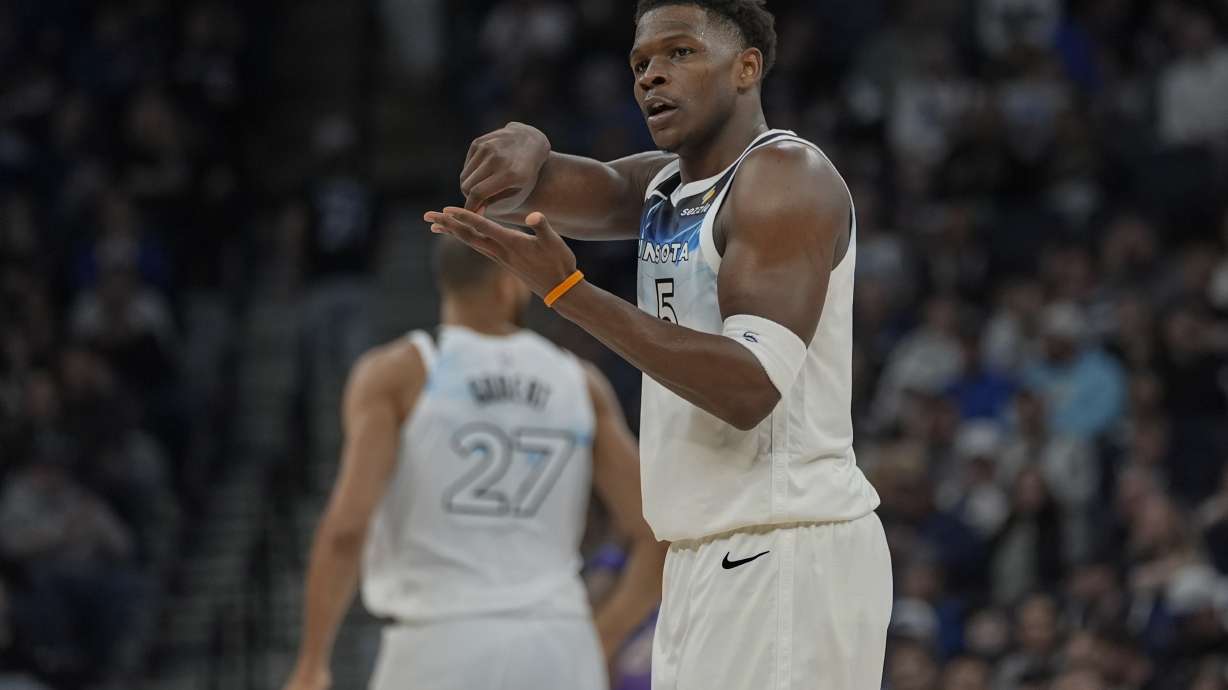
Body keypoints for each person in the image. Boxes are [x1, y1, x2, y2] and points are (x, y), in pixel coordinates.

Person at [425, 1, 892, 688]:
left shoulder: (786, 178)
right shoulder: (667, 185)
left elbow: (748, 388)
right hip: (706, 553)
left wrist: (570, 295)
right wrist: (523, 141)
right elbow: (552, 186)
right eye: (641, 63)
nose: (652, 76)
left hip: (786, 545)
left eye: (680, 53)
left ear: (747, 67)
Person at [280, 237, 665, 690]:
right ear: (511, 284)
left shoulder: (401, 372)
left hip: (439, 641)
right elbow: (658, 528)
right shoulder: (578, 381)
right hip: (558, 641)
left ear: (445, 281)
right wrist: (604, 634)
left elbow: (346, 530)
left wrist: (312, 661)